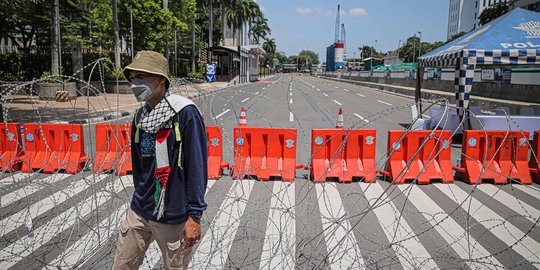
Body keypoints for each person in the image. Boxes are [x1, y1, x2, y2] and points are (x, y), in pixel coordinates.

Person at [113, 50, 208, 270]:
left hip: (173, 216)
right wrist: (141, 193)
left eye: (142, 77)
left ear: (161, 80)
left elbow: (196, 165)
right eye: (133, 78)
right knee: (122, 264)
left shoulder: (184, 113)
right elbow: (139, 164)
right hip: (140, 211)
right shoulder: (140, 117)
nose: (136, 83)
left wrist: (194, 215)